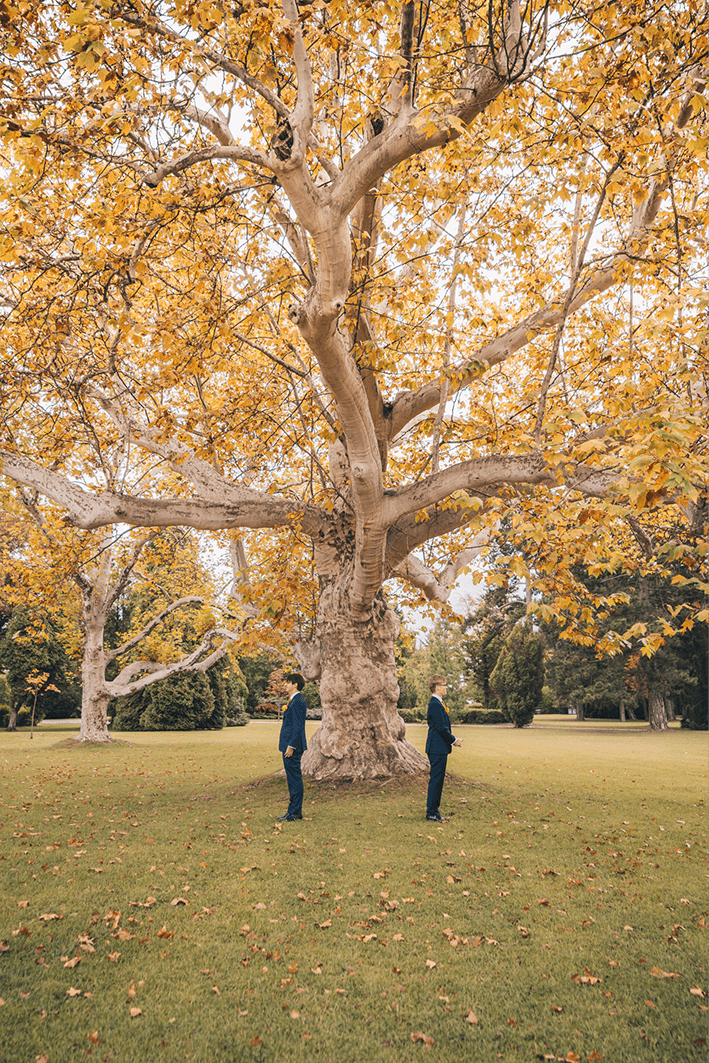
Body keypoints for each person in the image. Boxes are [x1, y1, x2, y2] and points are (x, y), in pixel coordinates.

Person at [425, 674, 462, 822]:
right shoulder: (434, 704)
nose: (446, 688)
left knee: (438, 780)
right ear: (437, 687)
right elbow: (441, 728)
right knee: (436, 780)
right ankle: (432, 812)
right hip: (436, 748)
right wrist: (454, 740)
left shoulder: (438, 703)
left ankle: (434, 810)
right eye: (444, 685)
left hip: (439, 748)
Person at [277, 672, 308, 822]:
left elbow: (298, 726)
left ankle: (295, 812)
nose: (285, 685)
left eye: (288, 682)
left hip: (292, 747)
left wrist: (291, 746)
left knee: (294, 779)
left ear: (295, 684)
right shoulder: (293, 700)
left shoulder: (298, 702)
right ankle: (293, 811)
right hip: (289, 745)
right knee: (292, 779)